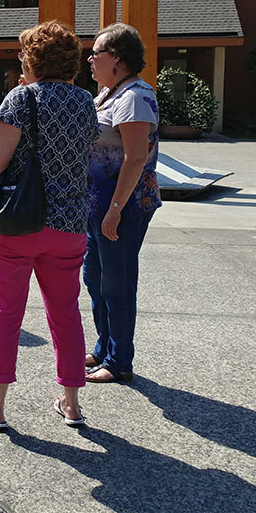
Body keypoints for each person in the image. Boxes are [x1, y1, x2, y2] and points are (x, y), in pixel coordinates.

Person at [0, 21, 98, 430]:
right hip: (69, 224)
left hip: (19, 223)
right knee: (65, 313)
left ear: (31, 59)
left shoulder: (20, 98)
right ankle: (71, 404)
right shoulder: (86, 101)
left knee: (5, 313)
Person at [83, 23, 161, 383]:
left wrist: (114, 210)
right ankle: (104, 346)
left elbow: (135, 159)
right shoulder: (109, 93)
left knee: (117, 281)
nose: (90, 59)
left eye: (95, 53)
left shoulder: (134, 97)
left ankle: (119, 361)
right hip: (98, 202)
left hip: (123, 206)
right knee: (94, 276)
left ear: (116, 59)